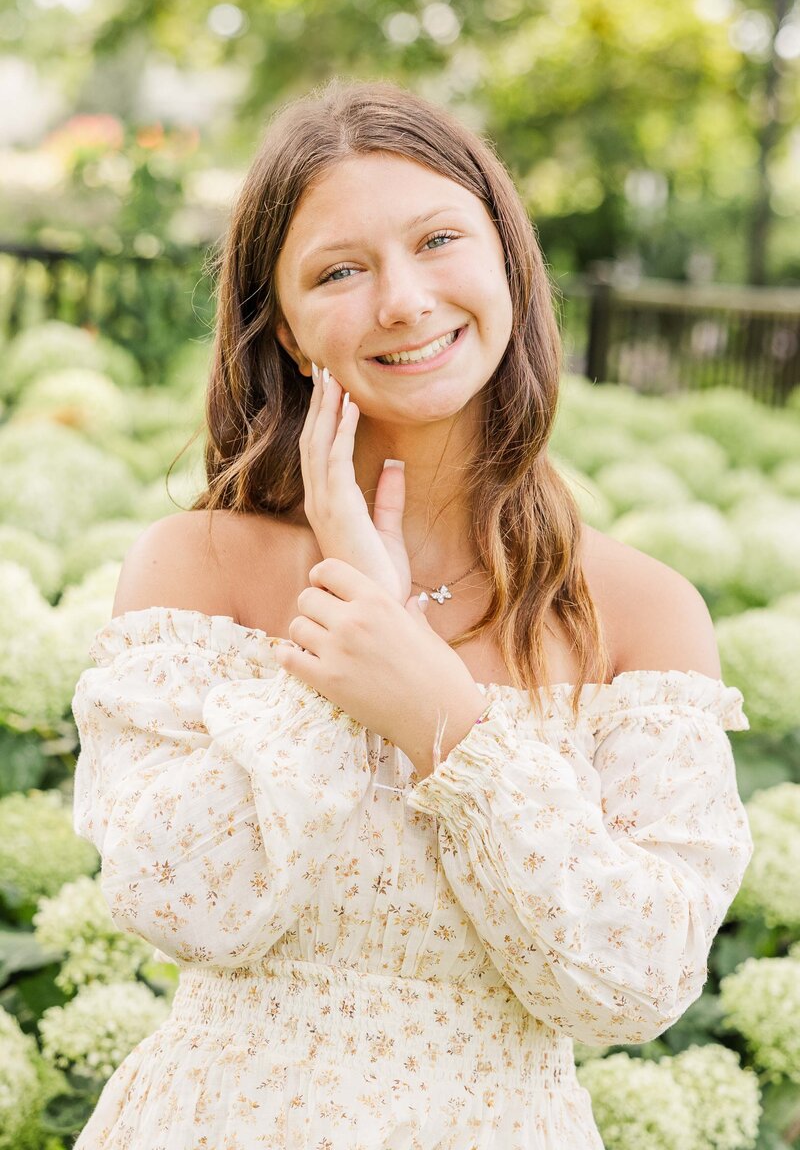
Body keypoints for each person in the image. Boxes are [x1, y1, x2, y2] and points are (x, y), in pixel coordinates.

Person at [70, 77, 754, 1149]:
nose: (400, 300)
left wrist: (435, 707)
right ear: (289, 334)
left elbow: (636, 982)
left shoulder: (642, 611)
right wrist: (345, 646)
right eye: (339, 271)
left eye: (437, 240)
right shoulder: (195, 567)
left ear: (507, 267)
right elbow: (177, 903)